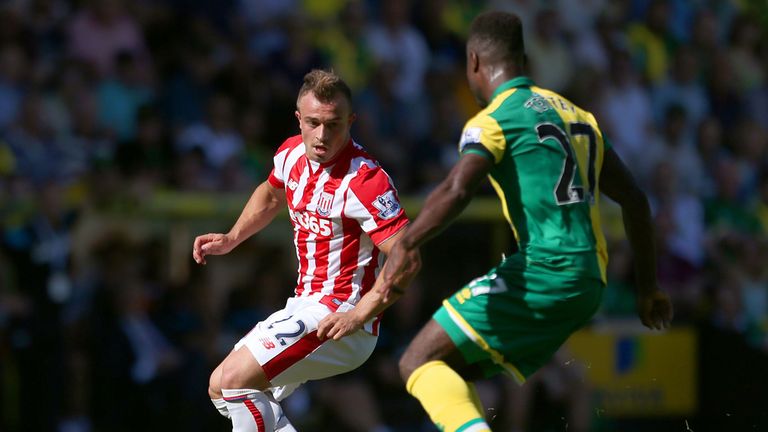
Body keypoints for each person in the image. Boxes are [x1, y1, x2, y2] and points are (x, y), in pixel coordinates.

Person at [326, 11, 674, 432]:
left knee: (416, 361)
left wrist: (407, 241)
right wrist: (648, 287)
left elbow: (457, 190)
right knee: (451, 372)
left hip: (543, 270)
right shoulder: (580, 116)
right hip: (590, 280)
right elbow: (636, 200)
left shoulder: (494, 120)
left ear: (473, 62)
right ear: (523, 62)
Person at [193, 69, 414, 432]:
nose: (323, 135)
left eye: (334, 124)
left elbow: (407, 256)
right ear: (299, 119)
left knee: (234, 381)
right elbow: (271, 193)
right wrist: (233, 237)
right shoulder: (291, 153)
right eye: (313, 123)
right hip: (305, 304)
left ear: (351, 121)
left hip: (341, 316)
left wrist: (360, 314)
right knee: (221, 389)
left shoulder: (366, 181)